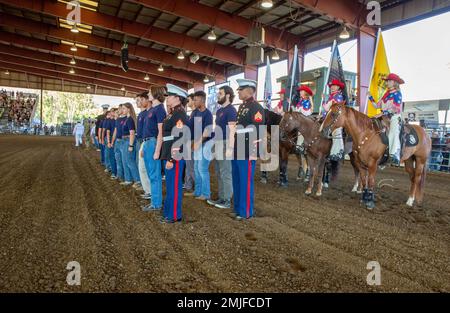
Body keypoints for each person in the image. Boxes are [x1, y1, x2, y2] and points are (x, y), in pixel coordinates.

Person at [230, 79, 265, 220]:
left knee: (245, 181)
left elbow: (257, 131)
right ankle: (238, 209)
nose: (238, 91)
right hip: (238, 149)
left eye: (241, 89)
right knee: (237, 180)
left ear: (249, 90)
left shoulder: (256, 107)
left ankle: (246, 212)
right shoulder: (242, 107)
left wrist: (253, 153)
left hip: (247, 150)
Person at [160, 84, 190, 223]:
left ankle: (174, 215)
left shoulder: (179, 114)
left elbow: (180, 137)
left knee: (174, 186)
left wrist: (172, 159)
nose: (167, 99)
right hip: (169, 153)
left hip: (175, 156)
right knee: (171, 185)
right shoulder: (173, 113)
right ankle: (168, 212)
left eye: (169, 96)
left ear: (177, 98)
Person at [207, 85, 237, 209]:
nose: (218, 96)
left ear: (228, 95)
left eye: (220, 93)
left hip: (225, 143)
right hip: (218, 142)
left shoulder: (231, 110)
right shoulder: (219, 111)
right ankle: (221, 197)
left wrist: (230, 148)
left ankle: (227, 200)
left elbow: (232, 131)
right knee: (219, 172)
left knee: (226, 173)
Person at [368, 73, 404, 164]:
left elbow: (396, 109)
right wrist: (370, 97)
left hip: (394, 117)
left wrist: (382, 113)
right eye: (387, 81)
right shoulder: (386, 94)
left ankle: (394, 154)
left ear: (394, 83)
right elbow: (376, 106)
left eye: (389, 81)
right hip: (384, 117)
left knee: (393, 132)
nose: (387, 82)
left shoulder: (397, 94)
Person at [142, 86, 167, 211]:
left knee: (154, 174)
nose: (148, 94)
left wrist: (157, 150)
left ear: (156, 94)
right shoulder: (152, 109)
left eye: (150, 92)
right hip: (147, 143)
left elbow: (161, 132)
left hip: (153, 142)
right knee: (151, 173)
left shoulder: (160, 110)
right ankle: (154, 201)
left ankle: (156, 203)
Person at [188, 90, 214, 201]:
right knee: (196, 168)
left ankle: (206, 193)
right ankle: (197, 191)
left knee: (202, 168)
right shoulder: (196, 112)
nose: (194, 102)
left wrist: (197, 143)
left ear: (202, 100)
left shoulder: (207, 114)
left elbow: (207, 131)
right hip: (198, 142)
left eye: (196, 99)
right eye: (193, 99)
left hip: (206, 142)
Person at [322, 79, 345, 161]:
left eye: (334, 86)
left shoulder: (338, 96)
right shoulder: (331, 97)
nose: (332, 87)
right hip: (327, 118)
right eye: (331, 86)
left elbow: (331, 109)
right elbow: (326, 109)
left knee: (335, 131)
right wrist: (324, 100)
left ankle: (337, 152)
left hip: (334, 119)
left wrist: (324, 102)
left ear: (338, 87)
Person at [120, 103, 141, 187]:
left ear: (129, 109)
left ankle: (137, 180)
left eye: (124, 108)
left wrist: (131, 145)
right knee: (126, 161)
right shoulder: (127, 119)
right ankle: (128, 179)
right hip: (125, 140)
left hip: (128, 140)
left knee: (130, 161)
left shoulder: (130, 120)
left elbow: (132, 133)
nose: (122, 110)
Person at [136, 92, 152, 200]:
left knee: (146, 168)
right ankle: (147, 189)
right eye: (138, 100)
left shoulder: (149, 112)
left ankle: (150, 191)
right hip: (143, 141)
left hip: (147, 141)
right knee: (142, 167)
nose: (139, 102)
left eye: (141, 100)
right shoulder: (142, 114)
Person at [294, 85, 314, 154]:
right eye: (300, 91)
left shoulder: (306, 101)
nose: (300, 92)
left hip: (305, 121)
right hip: (300, 120)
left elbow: (307, 112)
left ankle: (304, 146)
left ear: (305, 92)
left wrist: (299, 109)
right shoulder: (301, 101)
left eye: (301, 91)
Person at [183, 93, 196, 193]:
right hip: (189, 141)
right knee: (189, 165)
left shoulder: (196, 113)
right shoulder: (192, 113)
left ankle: (197, 187)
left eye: (189, 100)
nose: (188, 102)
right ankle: (188, 185)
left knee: (192, 166)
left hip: (192, 141)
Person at [111, 104, 126, 181]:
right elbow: (115, 132)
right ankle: (120, 175)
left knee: (124, 160)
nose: (118, 111)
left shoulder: (126, 119)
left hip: (123, 141)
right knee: (118, 159)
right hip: (118, 140)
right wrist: (113, 141)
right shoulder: (118, 120)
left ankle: (125, 176)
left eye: (119, 110)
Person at [106, 109, 118, 179]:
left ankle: (118, 173)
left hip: (119, 139)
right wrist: (108, 142)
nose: (112, 113)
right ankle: (114, 172)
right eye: (111, 112)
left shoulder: (119, 120)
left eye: (114, 112)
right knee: (112, 156)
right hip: (112, 139)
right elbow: (108, 132)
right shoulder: (110, 121)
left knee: (117, 158)